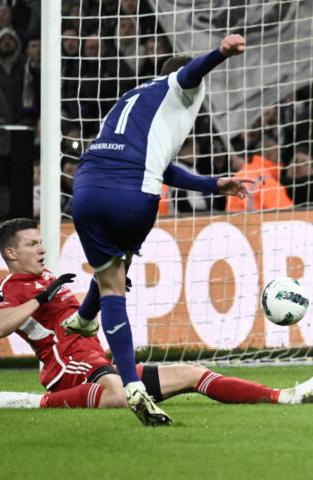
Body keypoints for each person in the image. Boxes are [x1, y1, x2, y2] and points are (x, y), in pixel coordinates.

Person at [60, 33, 256, 426]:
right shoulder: (179, 88)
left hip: (84, 189)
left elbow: (163, 166)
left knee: (111, 278)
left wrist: (212, 184)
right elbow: (189, 75)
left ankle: (92, 328)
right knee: (119, 272)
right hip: (131, 194)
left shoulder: (132, 102)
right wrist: (221, 53)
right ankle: (128, 376)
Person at [0, 219, 313, 412]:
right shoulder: (13, 285)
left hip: (99, 363)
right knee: (118, 395)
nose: (42, 248)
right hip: (70, 368)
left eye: (41, 242)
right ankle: (36, 402)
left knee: (193, 372)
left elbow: (75, 307)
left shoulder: (47, 280)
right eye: (32, 244)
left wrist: (107, 285)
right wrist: (39, 300)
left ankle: (283, 396)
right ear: (11, 252)